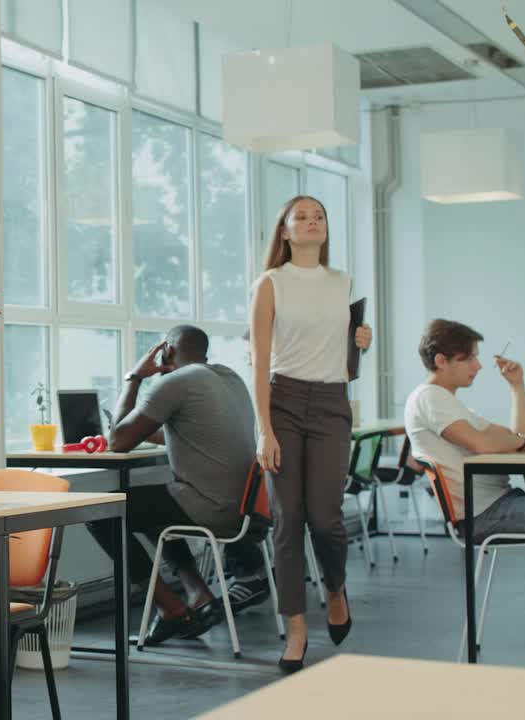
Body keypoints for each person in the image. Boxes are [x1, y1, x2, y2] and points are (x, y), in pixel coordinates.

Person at [250, 195, 372, 673]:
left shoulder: (342, 282)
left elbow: (343, 350)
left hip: (330, 403)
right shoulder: (271, 283)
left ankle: (336, 587)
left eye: (319, 215)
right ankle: (296, 627)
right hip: (282, 402)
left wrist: (362, 340)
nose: (311, 222)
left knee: (325, 518)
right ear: (284, 231)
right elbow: (260, 361)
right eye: (300, 216)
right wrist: (264, 429)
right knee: (287, 520)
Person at [88, 325, 259, 645]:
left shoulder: (177, 382)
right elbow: (183, 431)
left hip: (212, 507)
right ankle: (200, 596)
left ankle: (171, 610)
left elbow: (117, 441)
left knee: (100, 511)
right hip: (246, 510)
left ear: (165, 350)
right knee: (157, 510)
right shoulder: (228, 377)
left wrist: (135, 377)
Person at [405, 319, 525, 539]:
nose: (478, 365)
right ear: (441, 361)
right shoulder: (429, 397)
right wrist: (521, 442)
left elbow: (517, 440)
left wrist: (516, 386)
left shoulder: (452, 406)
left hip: (501, 503)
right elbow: (485, 443)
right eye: (469, 358)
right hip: (484, 514)